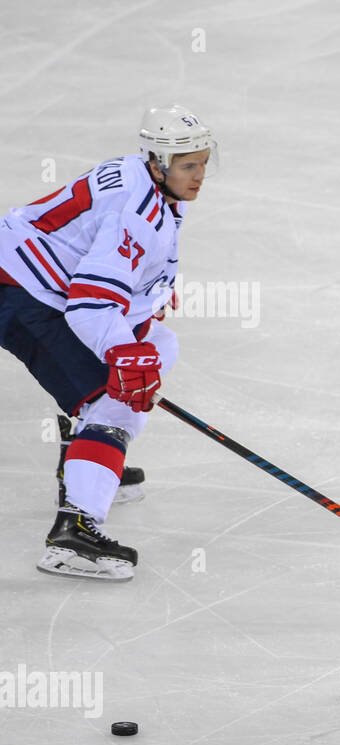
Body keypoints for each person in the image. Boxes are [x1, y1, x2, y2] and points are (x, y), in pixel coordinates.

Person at [0, 105, 215, 581]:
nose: (200, 175)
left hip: (36, 278)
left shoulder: (140, 174)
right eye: (188, 166)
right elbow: (91, 304)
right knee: (111, 399)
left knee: (159, 344)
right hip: (24, 293)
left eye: (203, 161)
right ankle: (73, 532)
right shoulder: (137, 214)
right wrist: (123, 355)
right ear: (159, 163)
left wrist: (146, 294)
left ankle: (89, 465)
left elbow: (95, 253)